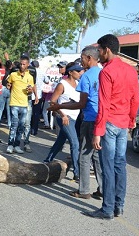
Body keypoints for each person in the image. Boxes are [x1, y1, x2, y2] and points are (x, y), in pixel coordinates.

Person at [83, 34, 139, 220]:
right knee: (120, 166)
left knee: (107, 167)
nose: (98, 54)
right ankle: (119, 206)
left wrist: (98, 132)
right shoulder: (131, 71)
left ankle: (107, 209)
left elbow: (103, 104)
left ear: (107, 50)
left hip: (109, 124)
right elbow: (135, 99)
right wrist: (131, 121)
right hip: (123, 124)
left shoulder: (106, 72)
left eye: (99, 50)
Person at [48, 45, 102, 199]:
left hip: (89, 118)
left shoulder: (86, 77)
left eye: (83, 58)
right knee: (97, 156)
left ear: (89, 58)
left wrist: (60, 105)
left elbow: (81, 104)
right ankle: (103, 189)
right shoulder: (103, 73)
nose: (82, 63)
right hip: (100, 118)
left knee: (84, 155)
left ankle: (84, 190)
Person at [43, 62, 83, 181]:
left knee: (61, 140)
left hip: (74, 118)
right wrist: (62, 114)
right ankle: (77, 173)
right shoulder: (62, 84)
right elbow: (52, 102)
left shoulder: (78, 84)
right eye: (77, 71)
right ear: (70, 72)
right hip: (64, 118)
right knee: (75, 144)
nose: (80, 73)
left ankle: (47, 160)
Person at [5, 56, 34, 154]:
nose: (22, 66)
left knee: (21, 126)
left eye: (24, 64)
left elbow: (30, 92)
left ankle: (17, 145)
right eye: (21, 64)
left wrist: (30, 91)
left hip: (24, 104)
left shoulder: (30, 77)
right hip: (14, 103)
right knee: (14, 125)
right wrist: (8, 85)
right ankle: (10, 145)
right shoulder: (13, 75)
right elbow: (7, 83)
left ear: (28, 65)